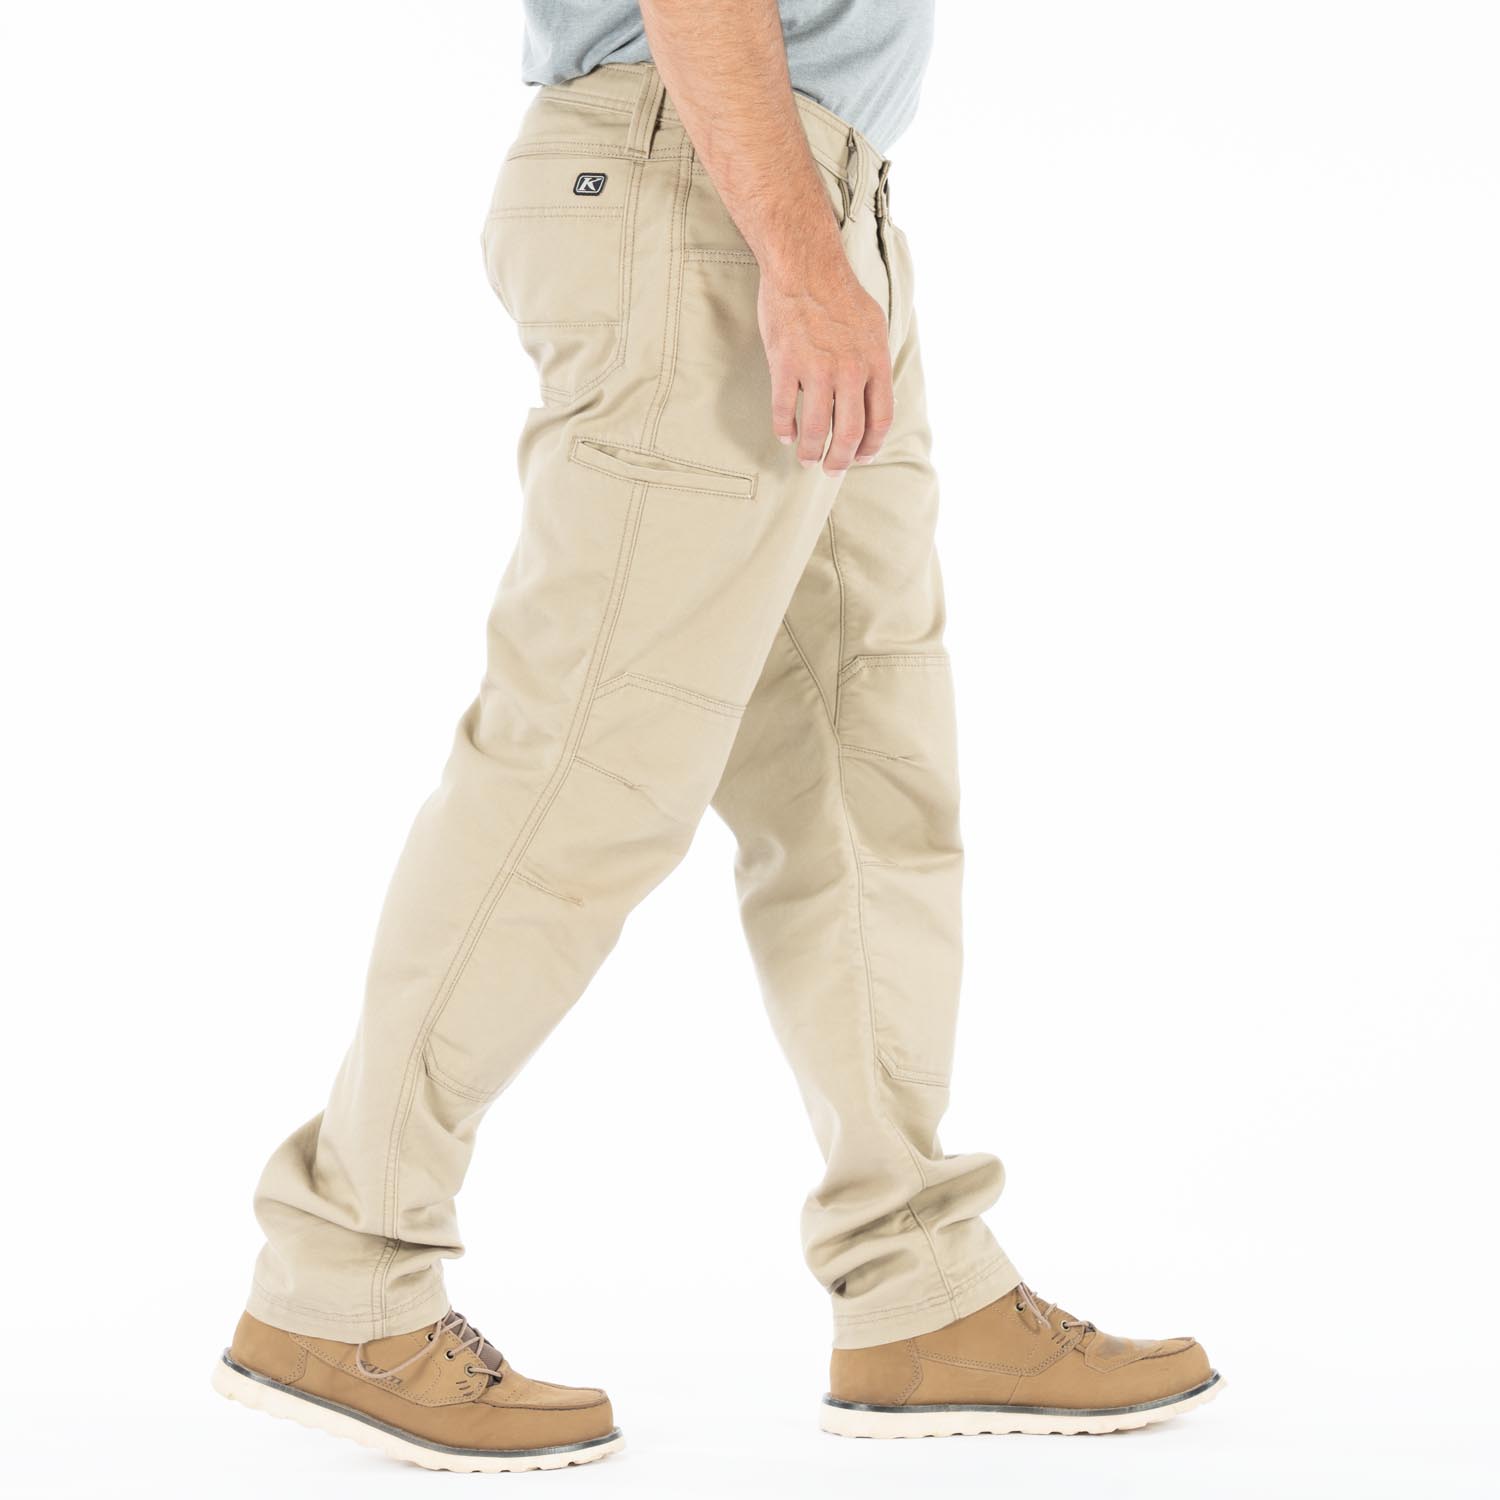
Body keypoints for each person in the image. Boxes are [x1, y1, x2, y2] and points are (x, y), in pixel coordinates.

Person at [213, 1, 1220, 1472]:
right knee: (585, 770)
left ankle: (919, 1286)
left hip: (807, 195)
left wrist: (828, 247)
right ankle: (339, 1276)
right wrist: (800, 258)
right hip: (713, 187)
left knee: (864, 775)